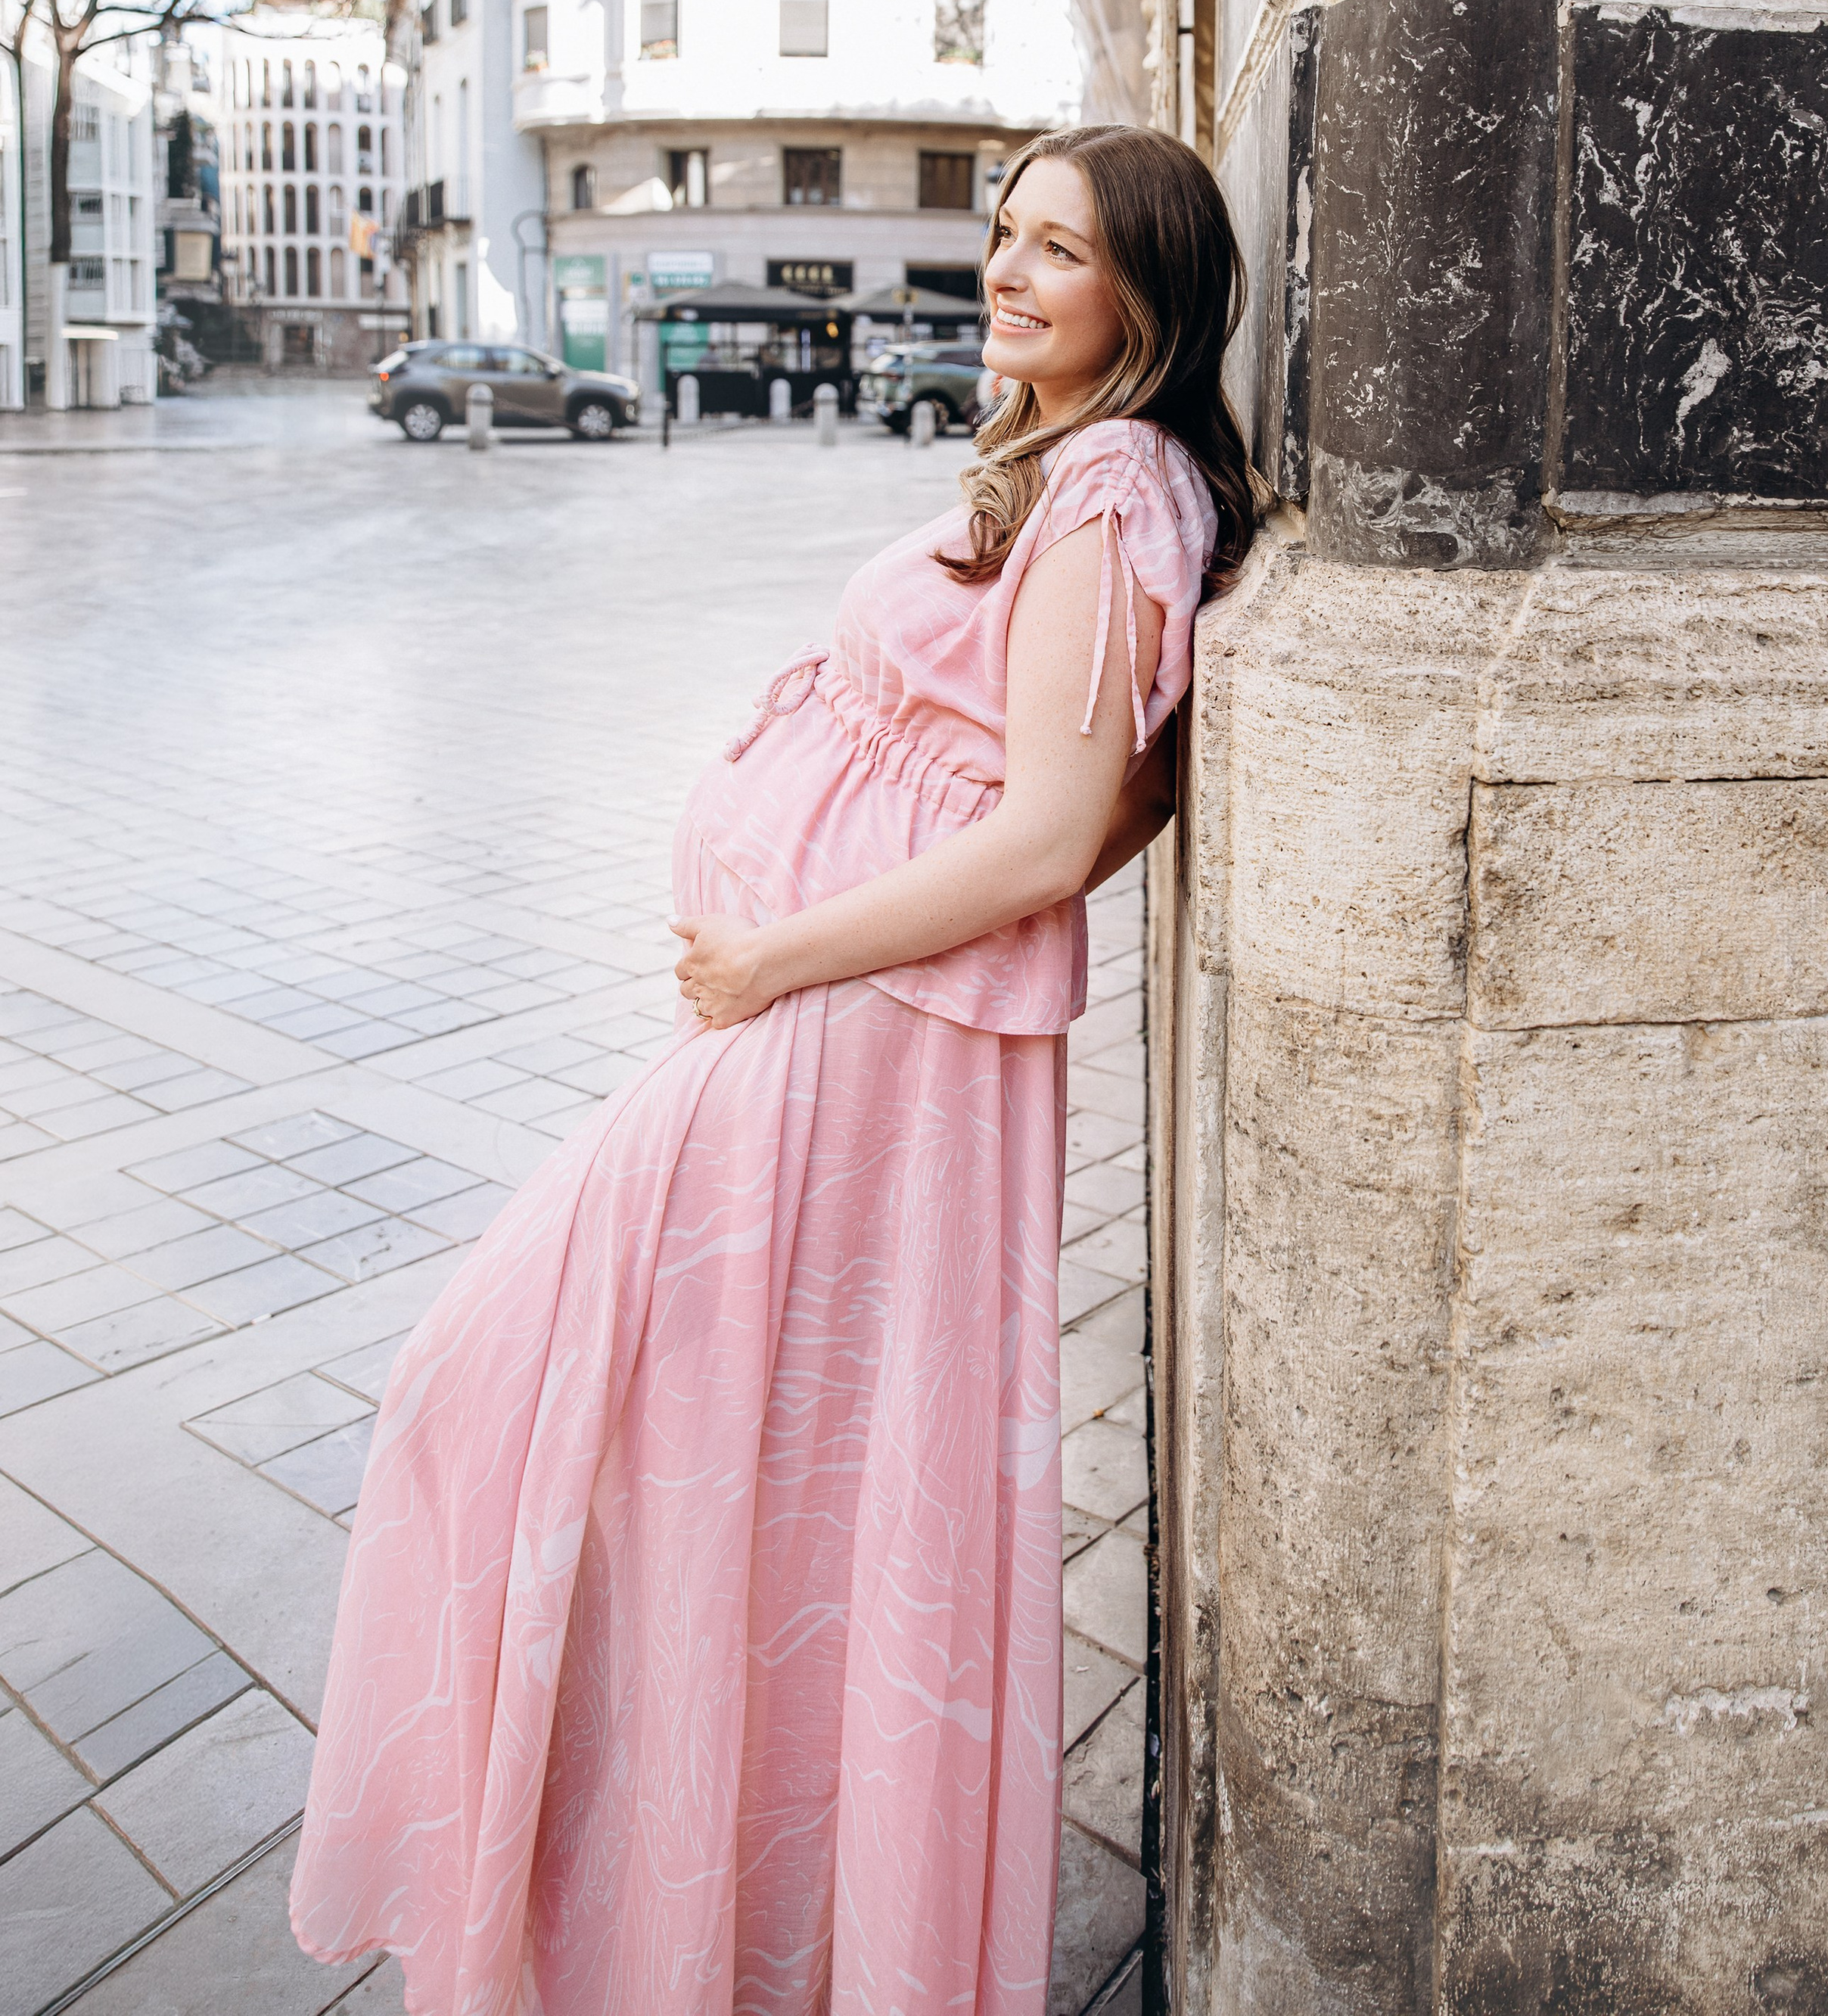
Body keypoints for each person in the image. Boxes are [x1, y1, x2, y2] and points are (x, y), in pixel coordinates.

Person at [290, 124, 1262, 2016]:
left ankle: (653, 1911)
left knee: (486, 1394)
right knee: (729, 1471)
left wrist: (768, 956)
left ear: (1143, 297)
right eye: (1002, 233)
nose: (1001, 268)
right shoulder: (1069, 474)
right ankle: (679, 1914)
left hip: (843, 1036)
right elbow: (1114, 793)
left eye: (1054, 249)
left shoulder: (1111, 490)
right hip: (841, 1031)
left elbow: (1054, 836)